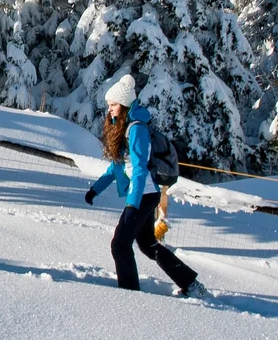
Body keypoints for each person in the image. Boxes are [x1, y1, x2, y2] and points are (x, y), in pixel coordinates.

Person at [84, 75, 200, 294]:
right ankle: (190, 283)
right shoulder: (124, 127)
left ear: (125, 105)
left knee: (120, 245)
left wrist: (132, 205)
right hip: (143, 196)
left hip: (144, 196)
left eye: (114, 105)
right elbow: (117, 168)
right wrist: (95, 189)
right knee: (148, 245)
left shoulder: (137, 129)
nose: (110, 109)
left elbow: (138, 170)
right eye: (109, 105)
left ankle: (129, 293)